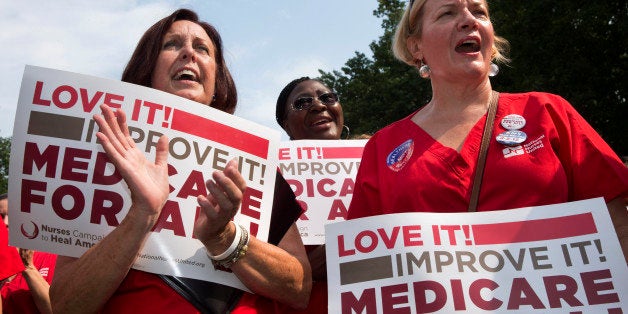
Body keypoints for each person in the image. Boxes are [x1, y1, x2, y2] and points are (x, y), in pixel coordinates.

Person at [50, 9, 311, 313]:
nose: (189, 53)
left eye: (202, 49)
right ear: (146, 71)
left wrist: (225, 238)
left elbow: (300, 289)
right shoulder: (104, 154)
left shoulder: (253, 163)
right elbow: (65, 305)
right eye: (172, 44)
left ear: (217, 81)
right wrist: (142, 215)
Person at [347, 0, 628, 264]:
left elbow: (616, 222)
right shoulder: (383, 147)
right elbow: (365, 262)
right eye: (448, 13)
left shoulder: (548, 112)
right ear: (416, 45)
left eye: (480, 12)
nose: (469, 21)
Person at [275, 76, 350, 313]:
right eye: (302, 103)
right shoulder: (271, 179)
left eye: (328, 98)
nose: (318, 105)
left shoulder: (377, 157)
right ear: (286, 125)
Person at [0, 193, 57, 314]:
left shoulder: (51, 257)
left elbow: (57, 309)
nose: (6, 222)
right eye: (1, 216)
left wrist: (27, 267)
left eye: (13, 215)